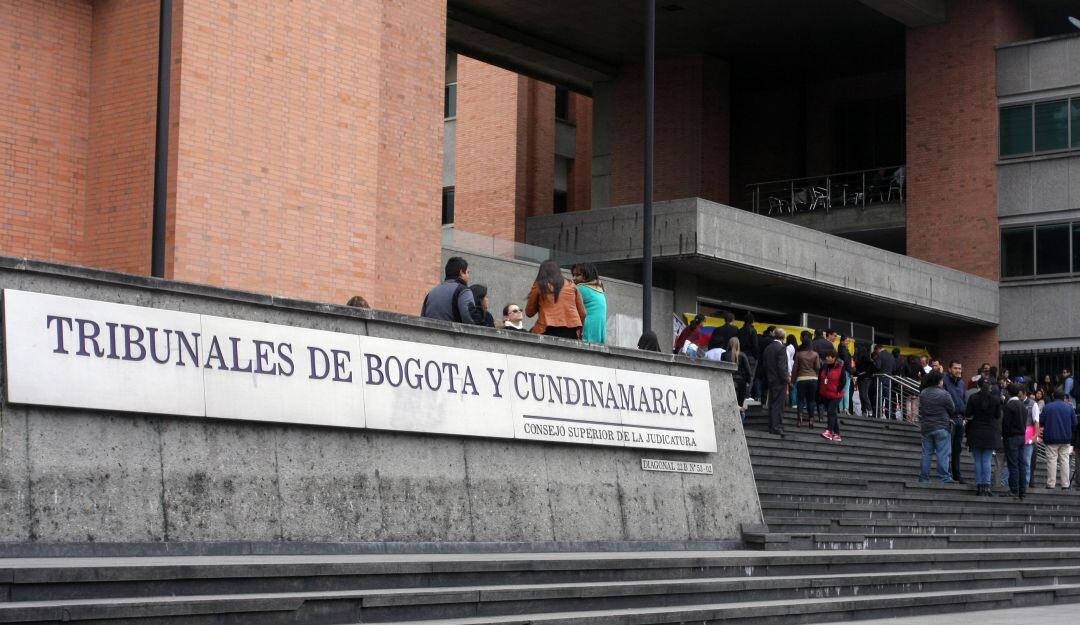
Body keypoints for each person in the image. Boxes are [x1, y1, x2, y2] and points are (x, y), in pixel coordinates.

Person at [525, 260, 585, 339]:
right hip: (571, 330)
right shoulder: (571, 285)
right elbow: (583, 313)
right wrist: (581, 330)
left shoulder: (540, 285)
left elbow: (529, 312)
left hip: (548, 328)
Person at [918, 370, 954, 483]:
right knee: (943, 453)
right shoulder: (944, 394)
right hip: (942, 426)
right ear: (939, 381)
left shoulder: (923, 393)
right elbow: (952, 409)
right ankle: (944, 478)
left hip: (926, 427)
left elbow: (921, 409)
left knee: (926, 454)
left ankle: (923, 479)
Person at [420, 256, 481, 324]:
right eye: (468, 272)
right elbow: (470, 319)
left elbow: (422, 319)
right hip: (453, 334)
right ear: (461, 272)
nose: (468, 276)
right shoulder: (464, 291)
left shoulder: (431, 293)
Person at [965, 380, 1000, 496]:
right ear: (990, 387)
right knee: (987, 460)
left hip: (975, 431)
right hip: (990, 433)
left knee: (978, 461)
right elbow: (997, 415)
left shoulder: (973, 398)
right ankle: (987, 485)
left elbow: (968, 413)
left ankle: (979, 485)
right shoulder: (995, 399)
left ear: (978, 386)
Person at [1041, 391, 1078, 490]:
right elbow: (1075, 423)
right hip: (1066, 439)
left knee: (1051, 461)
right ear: (1063, 398)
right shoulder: (1069, 408)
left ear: (1053, 396)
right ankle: (1065, 484)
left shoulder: (1047, 407)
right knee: (1065, 461)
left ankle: (1051, 484)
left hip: (1051, 438)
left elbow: (1041, 422)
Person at [1000, 383, 1028, 499]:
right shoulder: (1023, 406)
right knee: (1021, 464)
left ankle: (1014, 490)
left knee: (1013, 464)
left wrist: (1003, 436)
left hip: (1011, 437)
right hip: (1022, 436)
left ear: (1008, 393)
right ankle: (1022, 490)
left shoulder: (1009, 406)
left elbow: (1006, 424)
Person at [942, 360, 968, 484]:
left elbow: (963, 399)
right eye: (955, 368)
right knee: (948, 448)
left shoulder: (962, 383)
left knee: (957, 448)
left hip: (960, 418)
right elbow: (942, 399)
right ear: (950, 369)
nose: (958, 370)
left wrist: (964, 418)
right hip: (949, 419)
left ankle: (957, 474)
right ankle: (947, 474)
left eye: (960, 368)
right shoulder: (945, 381)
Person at [762, 328, 790, 437]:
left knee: (772, 403)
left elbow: (765, 364)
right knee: (778, 404)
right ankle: (776, 426)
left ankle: (772, 426)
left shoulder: (768, 348)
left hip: (770, 378)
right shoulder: (781, 348)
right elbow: (782, 367)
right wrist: (786, 379)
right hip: (779, 380)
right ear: (783, 337)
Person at [571, 263, 606, 344]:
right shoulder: (599, 289)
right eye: (573, 275)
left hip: (586, 334)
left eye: (578, 275)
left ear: (588, 275)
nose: (574, 278)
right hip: (598, 335)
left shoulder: (581, 288)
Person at [818, 349, 848, 442]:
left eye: (829, 356)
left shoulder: (840, 367)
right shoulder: (824, 366)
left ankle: (829, 431)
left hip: (836, 395)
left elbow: (843, 381)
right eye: (826, 356)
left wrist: (837, 390)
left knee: (831, 412)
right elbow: (820, 378)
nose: (827, 358)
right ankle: (837, 434)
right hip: (825, 394)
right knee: (833, 414)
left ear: (834, 358)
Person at [792, 339, 821, 428]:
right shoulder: (815, 354)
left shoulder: (799, 354)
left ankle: (799, 418)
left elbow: (795, 368)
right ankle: (811, 420)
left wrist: (793, 381)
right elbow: (818, 367)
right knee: (811, 401)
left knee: (800, 400)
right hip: (813, 379)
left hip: (801, 378)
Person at [724, 337, 753, 423]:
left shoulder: (724, 355)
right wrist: (748, 381)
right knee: (739, 405)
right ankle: (738, 422)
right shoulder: (742, 355)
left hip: (728, 380)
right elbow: (748, 371)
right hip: (741, 382)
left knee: (728, 403)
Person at [1020, 387, 1040, 488]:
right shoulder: (1014, 402)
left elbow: (1036, 421)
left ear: (1024, 393)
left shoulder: (1033, 404)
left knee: (1027, 461)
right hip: (1017, 435)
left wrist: (1035, 436)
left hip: (1028, 436)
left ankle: (1026, 483)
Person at [738, 313, 760, 398]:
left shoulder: (740, 330)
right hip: (751, 356)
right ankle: (746, 394)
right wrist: (756, 356)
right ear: (752, 321)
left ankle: (741, 394)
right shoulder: (753, 331)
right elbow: (755, 345)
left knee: (742, 375)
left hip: (741, 355)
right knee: (750, 376)